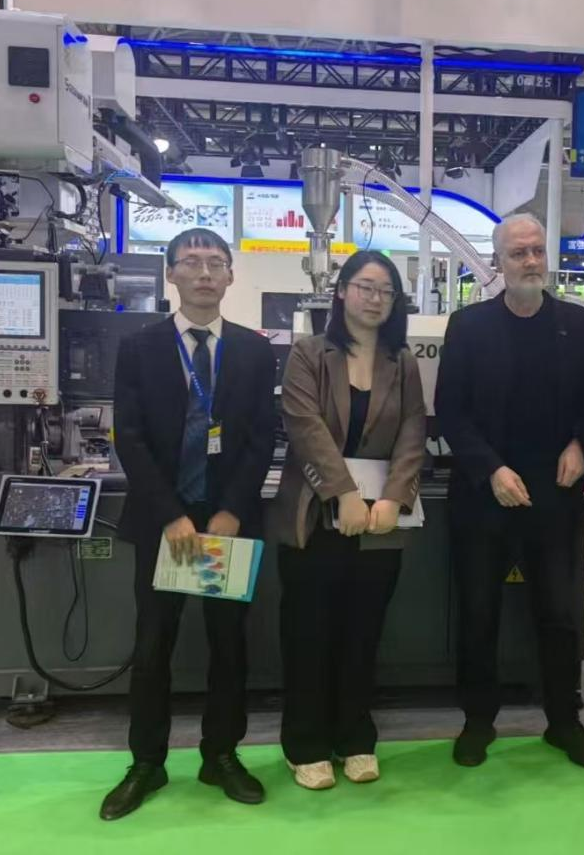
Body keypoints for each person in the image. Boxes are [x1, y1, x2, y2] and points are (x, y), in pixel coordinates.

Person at [103, 229, 278, 821]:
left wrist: (231, 510)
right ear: (171, 274)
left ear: (230, 276)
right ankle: (146, 763)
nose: (205, 273)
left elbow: (260, 438)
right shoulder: (140, 347)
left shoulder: (254, 351)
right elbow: (129, 436)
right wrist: (171, 515)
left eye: (216, 263)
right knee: (154, 645)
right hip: (165, 524)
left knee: (229, 644)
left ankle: (220, 754)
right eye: (192, 263)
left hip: (227, 522)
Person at [434, 213, 584, 770]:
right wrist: (491, 470)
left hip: (556, 494)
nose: (530, 261)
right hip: (485, 495)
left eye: (537, 251)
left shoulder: (579, 327)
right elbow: (451, 411)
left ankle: (564, 720)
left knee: (559, 614)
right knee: (478, 612)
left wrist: (581, 445)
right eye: (518, 253)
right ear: (498, 262)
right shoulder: (468, 327)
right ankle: (477, 720)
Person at [269, 250, 427, 790]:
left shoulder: (402, 362)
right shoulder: (310, 353)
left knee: (363, 633)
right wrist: (344, 494)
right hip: (314, 516)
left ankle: (355, 737)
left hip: (379, 522)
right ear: (342, 292)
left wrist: (394, 499)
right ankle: (305, 744)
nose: (375, 299)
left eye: (386, 291)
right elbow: (304, 425)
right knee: (308, 633)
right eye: (365, 287)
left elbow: (413, 431)